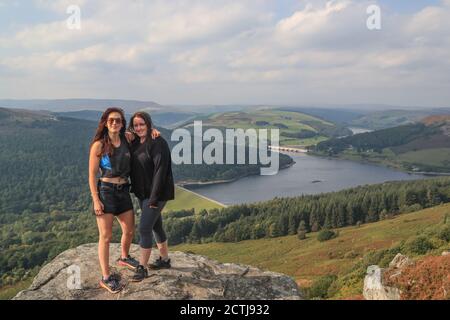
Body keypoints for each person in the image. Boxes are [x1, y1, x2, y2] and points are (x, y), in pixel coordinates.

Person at [88, 107, 159, 293]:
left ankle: (124, 257)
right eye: (111, 120)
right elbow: (91, 175)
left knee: (129, 230)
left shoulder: (128, 139)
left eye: (118, 120)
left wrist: (152, 131)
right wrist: (96, 200)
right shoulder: (99, 145)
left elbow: (143, 134)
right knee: (106, 236)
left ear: (122, 124)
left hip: (124, 191)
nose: (114, 123)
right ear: (105, 122)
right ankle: (105, 277)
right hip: (106, 191)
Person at [127, 111, 175, 282]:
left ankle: (142, 268)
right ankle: (165, 260)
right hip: (142, 193)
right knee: (156, 226)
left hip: (157, 194)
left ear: (148, 124)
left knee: (144, 228)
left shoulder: (157, 142)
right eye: (136, 125)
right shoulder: (133, 142)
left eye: (142, 124)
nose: (139, 128)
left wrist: (154, 198)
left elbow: (160, 173)